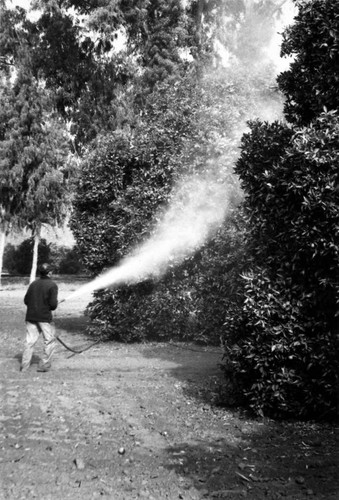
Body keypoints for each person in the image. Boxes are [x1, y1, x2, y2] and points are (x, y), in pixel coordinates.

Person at [21, 263, 58, 372]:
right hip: (44, 318)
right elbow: (53, 305)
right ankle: (44, 366)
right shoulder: (52, 285)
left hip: (31, 316)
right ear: (50, 272)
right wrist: (53, 303)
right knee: (49, 341)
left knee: (29, 342)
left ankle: (24, 367)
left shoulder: (33, 284)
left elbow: (26, 300)